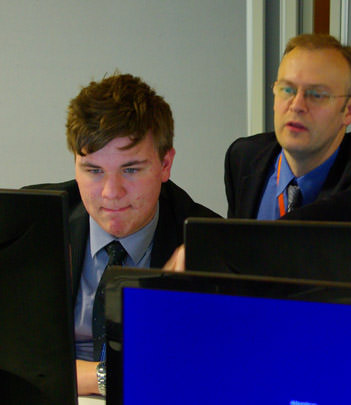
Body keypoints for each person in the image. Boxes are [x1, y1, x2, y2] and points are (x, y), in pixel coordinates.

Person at [27, 73, 220, 395]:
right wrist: (106, 376)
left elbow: (211, 371)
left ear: (165, 164)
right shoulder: (33, 223)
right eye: (93, 170)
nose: (111, 193)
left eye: (130, 170)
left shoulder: (206, 244)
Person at [225, 33, 351, 222]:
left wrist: (253, 239)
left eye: (317, 95)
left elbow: (330, 230)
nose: (297, 105)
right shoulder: (244, 157)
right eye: (287, 89)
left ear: (349, 110)